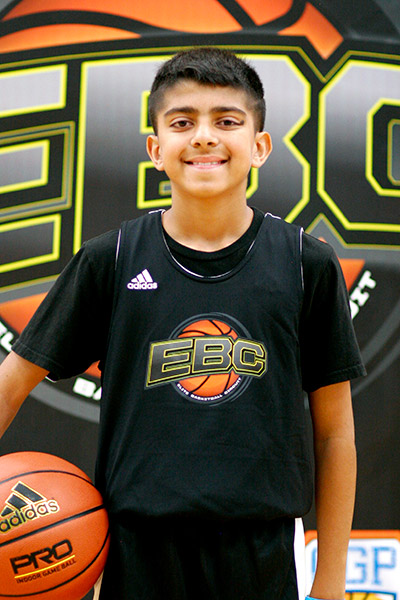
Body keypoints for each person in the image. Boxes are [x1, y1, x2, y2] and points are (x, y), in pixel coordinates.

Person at [0, 47, 365, 600]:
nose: (204, 137)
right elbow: (10, 385)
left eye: (227, 121)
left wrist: (331, 582)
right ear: (156, 149)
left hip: (263, 553)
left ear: (260, 146)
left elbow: (335, 434)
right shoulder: (110, 260)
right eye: (182, 122)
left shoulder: (304, 263)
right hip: (136, 552)